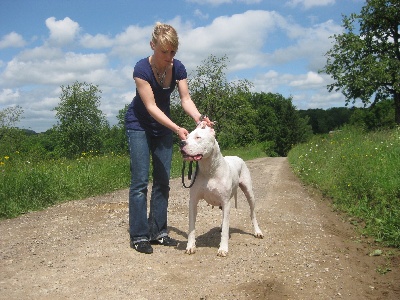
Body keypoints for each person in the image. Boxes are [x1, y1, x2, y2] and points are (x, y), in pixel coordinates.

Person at [125, 22, 212, 254]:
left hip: (164, 127)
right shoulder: (141, 69)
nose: (169, 57)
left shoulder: (178, 67)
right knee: (140, 182)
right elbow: (151, 107)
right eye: (164, 51)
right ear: (152, 45)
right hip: (139, 126)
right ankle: (139, 235)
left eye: (173, 51)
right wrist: (176, 128)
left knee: (163, 182)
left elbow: (185, 99)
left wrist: (198, 118)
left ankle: (159, 232)